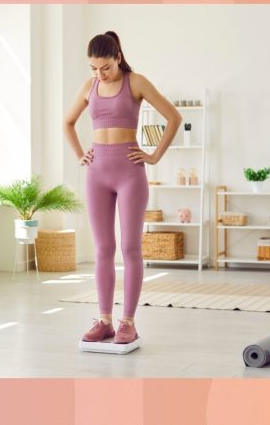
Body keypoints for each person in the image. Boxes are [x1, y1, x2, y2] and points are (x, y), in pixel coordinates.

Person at [64, 31, 182, 344]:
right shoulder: (89, 87)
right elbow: (67, 122)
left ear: (117, 57)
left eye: (105, 67)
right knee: (103, 249)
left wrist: (154, 155)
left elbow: (173, 117)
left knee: (130, 249)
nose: (99, 74)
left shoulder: (136, 82)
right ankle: (104, 320)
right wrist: (80, 155)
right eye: (93, 68)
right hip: (97, 174)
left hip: (130, 173)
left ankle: (128, 321)